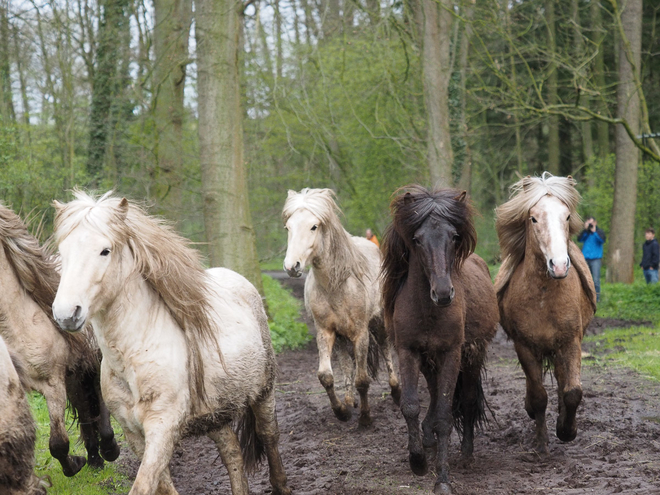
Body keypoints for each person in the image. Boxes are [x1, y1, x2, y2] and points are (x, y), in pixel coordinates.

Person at [577, 216, 606, 302]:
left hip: (596, 260)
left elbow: (602, 240)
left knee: (596, 280)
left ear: (595, 223)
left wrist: (594, 232)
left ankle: (597, 299)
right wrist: (585, 229)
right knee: (584, 279)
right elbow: (579, 239)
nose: (590, 225)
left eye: (591, 223)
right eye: (588, 223)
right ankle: (585, 298)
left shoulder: (599, 232)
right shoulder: (586, 233)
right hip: (585, 259)